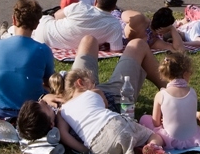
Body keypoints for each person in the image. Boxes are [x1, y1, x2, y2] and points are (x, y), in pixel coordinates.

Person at [17, 35, 166, 142]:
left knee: (89, 40)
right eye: (43, 107)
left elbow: (43, 105)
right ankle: (171, 94)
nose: (43, 103)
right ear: (51, 124)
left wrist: (44, 98)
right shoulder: (64, 127)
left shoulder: (45, 113)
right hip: (112, 97)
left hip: (76, 88)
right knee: (138, 44)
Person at [0, 0, 55, 118]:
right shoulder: (43, 50)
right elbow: (49, 79)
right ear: (36, 24)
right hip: (31, 113)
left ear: (14, 19)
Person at [139, 53, 200, 149]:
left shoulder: (161, 95)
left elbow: (156, 123)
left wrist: (164, 121)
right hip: (193, 139)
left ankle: (154, 145)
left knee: (144, 119)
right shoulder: (192, 92)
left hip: (170, 140)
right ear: (185, 74)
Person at [32, 0, 124, 50]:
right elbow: (116, 50)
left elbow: (56, 16)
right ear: (113, 8)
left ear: (95, 2)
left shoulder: (79, 7)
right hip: (50, 42)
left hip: (43, 30)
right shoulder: (114, 25)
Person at [116, 8, 185, 52]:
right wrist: (172, 28)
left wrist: (172, 28)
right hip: (114, 21)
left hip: (113, 27)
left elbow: (123, 14)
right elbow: (180, 49)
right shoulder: (152, 41)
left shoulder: (139, 19)